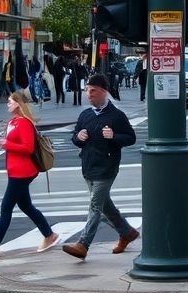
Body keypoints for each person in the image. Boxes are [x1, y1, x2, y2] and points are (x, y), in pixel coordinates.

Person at [62, 74, 139, 260]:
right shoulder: (85, 115)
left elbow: (131, 137)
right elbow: (75, 138)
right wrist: (77, 137)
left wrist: (114, 136)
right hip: (88, 166)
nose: (89, 94)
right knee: (105, 207)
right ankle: (126, 232)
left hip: (107, 167)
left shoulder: (117, 116)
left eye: (93, 90)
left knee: (95, 206)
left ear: (104, 91)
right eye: (87, 90)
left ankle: (83, 244)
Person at [0, 91, 59, 256]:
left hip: (23, 172)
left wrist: (7, 144)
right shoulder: (14, 121)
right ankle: (49, 235)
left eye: (10, 101)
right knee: (26, 206)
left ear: (19, 104)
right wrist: (6, 142)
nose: (7, 104)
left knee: (6, 207)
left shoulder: (24, 123)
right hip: (16, 171)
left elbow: (28, 148)